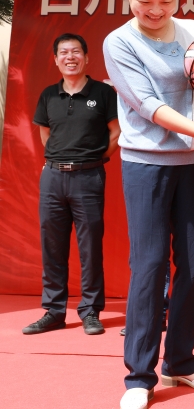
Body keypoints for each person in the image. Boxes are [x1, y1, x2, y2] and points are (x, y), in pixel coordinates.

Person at [103, 0, 194, 409]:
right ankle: (139, 376)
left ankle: (181, 361)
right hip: (147, 165)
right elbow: (145, 105)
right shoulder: (119, 42)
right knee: (150, 265)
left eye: (166, 0)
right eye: (144, 0)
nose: (156, 10)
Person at [23, 34, 119, 336]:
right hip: (52, 178)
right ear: (56, 60)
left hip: (88, 177)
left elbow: (115, 132)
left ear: (86, 58)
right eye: (63, 52)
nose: (70, 57)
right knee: (52, 245)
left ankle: (90, 311)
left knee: (90, 248)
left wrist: (94, 160)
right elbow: (45, 134)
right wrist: (59, 161)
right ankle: (54, 311)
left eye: (76, 51)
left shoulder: (103, 93)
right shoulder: (48, 95)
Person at [118, 96, 194, 339]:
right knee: (152, 260)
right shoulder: (141, 79)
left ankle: (189, 323)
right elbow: (149, 106)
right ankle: (151, 320)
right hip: (148, 163)